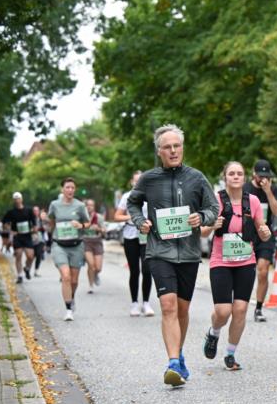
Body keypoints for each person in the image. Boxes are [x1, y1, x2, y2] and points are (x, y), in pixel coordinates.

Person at [127, 124, 219, 387]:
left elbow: (213, 207)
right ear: (159, 152)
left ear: (182, 148)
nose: (173, 150)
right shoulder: (148, 179)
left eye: (177, 146)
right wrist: (139, 220)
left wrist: (200, 217)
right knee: (167, 305)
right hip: (159, 251)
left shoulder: (197, 178)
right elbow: (133, 202)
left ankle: (179, 353)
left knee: (182, 309)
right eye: (167, 147)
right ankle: (173, 362)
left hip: (189, 253)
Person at [201, 162, 272, 370]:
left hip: (245, 261)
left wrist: (265, 233)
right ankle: (214, 332)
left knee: (240, 309)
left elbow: (261, 228)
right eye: (231, 173)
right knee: (223, 311)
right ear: (225, 177)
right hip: (221, 261)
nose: (235, 176)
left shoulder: (253, 201)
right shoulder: (215, 200)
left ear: (244, 177)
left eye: (239, 173)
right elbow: (203, 232)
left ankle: (230, 354)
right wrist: (211, 226)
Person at [244, 159, 277, 322]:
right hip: (246, 234)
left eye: (266, 176)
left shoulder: (272, 189)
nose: (263, 179)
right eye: (260, 176)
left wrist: (268, 192)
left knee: (263, 269)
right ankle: (239, 304)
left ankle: (258, 308)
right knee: (245, 273)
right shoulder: (245, 188)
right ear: (254, 173)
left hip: (265, 234)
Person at [48, 178, 90, 321]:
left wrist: (81, 226)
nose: (70, 190)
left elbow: (88, 222)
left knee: (74, 280)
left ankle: (71, 298)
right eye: (67, 187)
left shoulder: (80, 206)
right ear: (62, 189)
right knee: (65, 276)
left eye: (72, 187)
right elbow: (51, 220)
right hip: (59, 245)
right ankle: (68, 309)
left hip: (76, 246)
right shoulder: (54, 205)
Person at [114, 171, 155, 317]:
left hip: (146, 236)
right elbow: (117, 216)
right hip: (130, 235)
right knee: (134, 271)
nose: (138, 183)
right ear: (132, 182)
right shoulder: (127, 196)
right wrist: (131, 216)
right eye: (136, 181)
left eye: (141, 180)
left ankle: (146, 302)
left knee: (147, 270)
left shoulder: (151, 195)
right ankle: (134, 303)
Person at [2, 192, 38, 283]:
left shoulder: (28, 210)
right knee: (18, 254)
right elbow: (4, 222)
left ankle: (27, 268)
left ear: (22, 199)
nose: (17, 201)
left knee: (30, 256)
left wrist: (34, 229)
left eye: (18, 199)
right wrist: (11, 231)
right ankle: (20, 275)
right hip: (17, 236)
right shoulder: (11, 212)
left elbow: (34, 222)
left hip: (27, 235)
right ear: (13, 201)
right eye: (15, 199)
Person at [83, 198, 106, 293]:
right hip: (86, 242)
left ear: (94, 206)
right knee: (91, 265)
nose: (89, 207)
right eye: (88, 205)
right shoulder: (82, 217)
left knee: (98, 268)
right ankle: (90, 285)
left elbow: (104, 231)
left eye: (91, 205)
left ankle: (96, 274)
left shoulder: (99, 217)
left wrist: (99, 229)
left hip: (97, 242)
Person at [32, 207, 47, 275]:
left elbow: (45, 231)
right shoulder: (30, 219)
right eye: (34, 211)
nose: (36, 212)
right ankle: (28, 267)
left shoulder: (41, 220)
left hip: (40, 239)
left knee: (39, 254)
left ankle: (36, 270)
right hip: (31, 240)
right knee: (31, 256)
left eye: (37, 210)